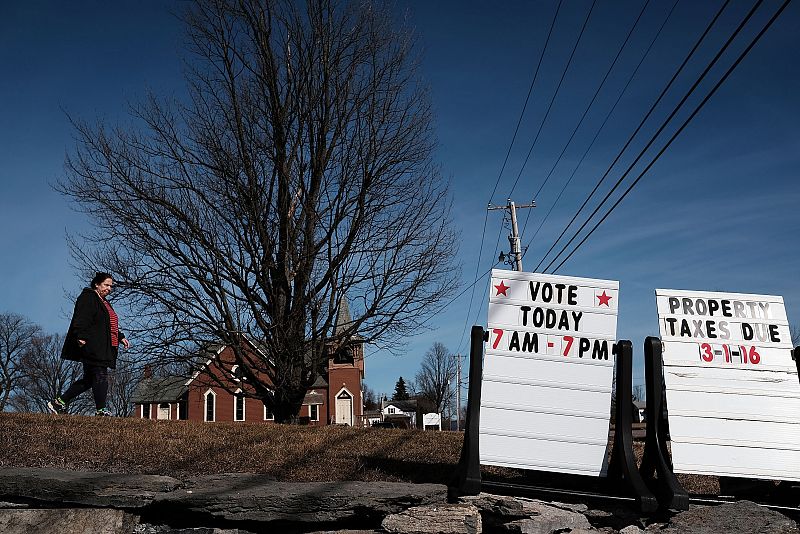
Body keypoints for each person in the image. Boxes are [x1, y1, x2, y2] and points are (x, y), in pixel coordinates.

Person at [48, 272, 130, 416]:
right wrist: (81, 335)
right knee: (100, 374)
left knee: (89, 379)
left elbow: (107, 324)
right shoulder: (88, 297)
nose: (109, 288)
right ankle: (101, 410)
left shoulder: (105, 302)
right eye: (106, 285)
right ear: (97, 284)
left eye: (111, 286)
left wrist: (120, 337)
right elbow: (81, 317)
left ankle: (59, 402)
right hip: (92, 344)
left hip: (103, 345)